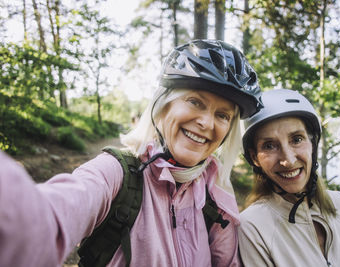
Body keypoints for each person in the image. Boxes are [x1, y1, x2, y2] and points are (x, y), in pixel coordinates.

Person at [0, 39, 262, 267]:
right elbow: (47, 219)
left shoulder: (216, 195)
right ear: (163, 106)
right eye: (195, 102)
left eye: (222, 115)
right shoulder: (115, 174)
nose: (207, 123)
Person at [238, 89, 340, 266]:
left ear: (313, 144)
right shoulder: (252, 228)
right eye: (269, 146)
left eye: (297, 139)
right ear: (255, 158)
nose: (288, 160)